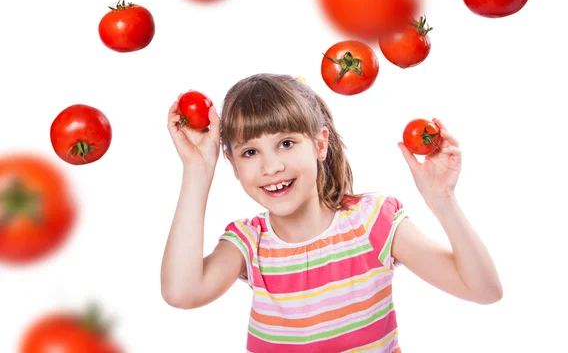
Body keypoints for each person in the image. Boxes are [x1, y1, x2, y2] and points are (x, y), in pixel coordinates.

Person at [161, 73, 502, 353]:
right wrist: (197, 169)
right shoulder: (248, 242)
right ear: (232, 165)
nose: (271, 166)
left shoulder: (371, 221)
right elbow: (182, 292)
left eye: (286, 143)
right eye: (250, 151)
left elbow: (484, 290)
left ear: (320, 144)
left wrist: (442, 200)